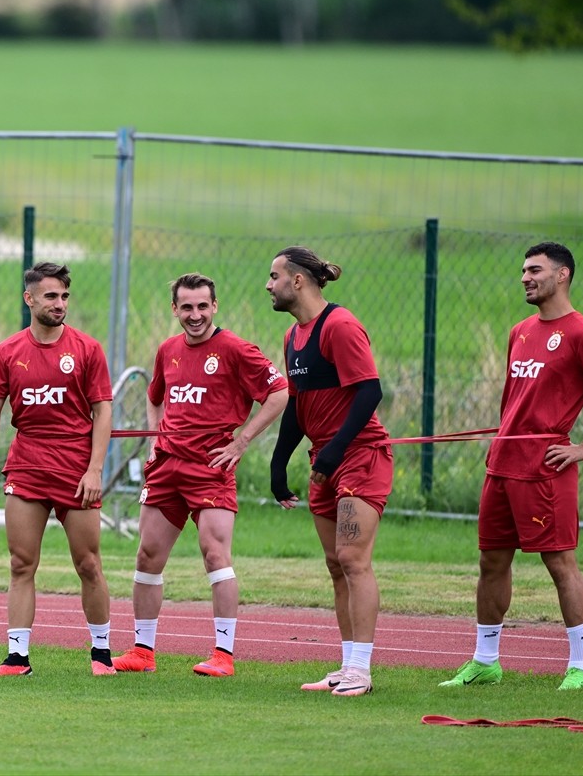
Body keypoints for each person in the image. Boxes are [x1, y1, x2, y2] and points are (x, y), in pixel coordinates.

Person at [440, 242, 583, 692]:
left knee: (560, 563)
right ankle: (486, 661)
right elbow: (516, 401)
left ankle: (580, 667)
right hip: (502, 466)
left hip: (545, 470)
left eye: (535, 270)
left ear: (562, 275)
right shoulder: (520, 330)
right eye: (524, 270)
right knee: (491, 562)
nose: (525, 277)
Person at [112, 273, 287, 677]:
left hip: (211, 470)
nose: (195, 315)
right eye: (187, 307)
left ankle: (223, 656)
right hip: (167, 467)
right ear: (175, 309)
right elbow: (154, 397)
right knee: (147, 554)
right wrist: (157, 438)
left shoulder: (236, 350)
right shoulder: (167, 350)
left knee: (214, 553)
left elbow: (279, 392)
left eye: (202, 306)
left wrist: (242, 441)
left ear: (215, 306)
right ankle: (142, 652)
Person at [0, 262, 116, 677]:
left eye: (65, 296)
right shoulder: (7, 352)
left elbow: (102, 411)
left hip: (76, 470)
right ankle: (17, 659)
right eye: (51, 296)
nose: (60, 304)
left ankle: (102, 656)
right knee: (21, 564)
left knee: (88, 563)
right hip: (28, 468)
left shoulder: (87, 349)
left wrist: (94, 470)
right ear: (30, 299)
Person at [265, 246, 392, 697]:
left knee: (355, 560)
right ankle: (346, 665)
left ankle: (362, 669)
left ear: (298, 280)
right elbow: (298, 405)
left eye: (275, 276)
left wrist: (335, 452)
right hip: (325, 461)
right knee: (336, 565)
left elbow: (369, 392)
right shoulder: (290, 337)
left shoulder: (339, 325)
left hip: (358, 456)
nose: (269, 284)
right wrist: (279, 462)